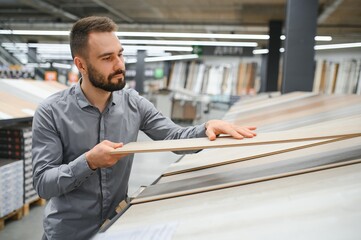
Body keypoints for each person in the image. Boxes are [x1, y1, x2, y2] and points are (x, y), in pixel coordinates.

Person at [32, 16, 257, 240]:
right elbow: (43, 184)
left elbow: (174, 137)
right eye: (107, 58)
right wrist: (88, 162)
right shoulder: (51, 112)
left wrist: (208, 127)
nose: (119, 64)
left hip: (116, 227)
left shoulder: (133, 103)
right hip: (68, 234)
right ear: (81, 64)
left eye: (120, 54)